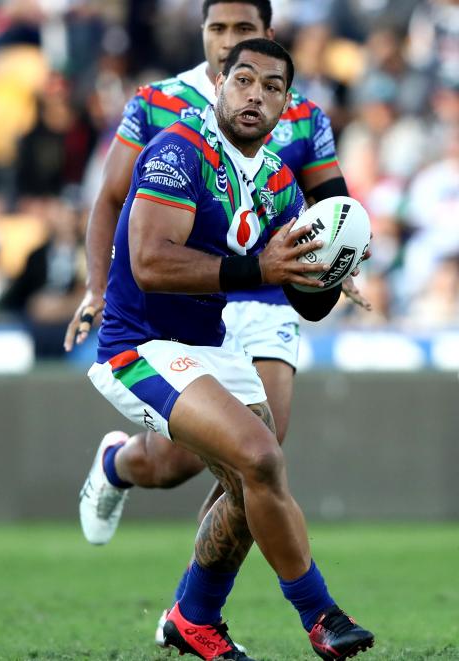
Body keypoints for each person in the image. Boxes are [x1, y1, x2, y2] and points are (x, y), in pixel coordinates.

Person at [84, 37, 374, 661]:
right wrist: (262, 269)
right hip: (139, 347)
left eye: (273, 87)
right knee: (260, 457)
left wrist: (331, 269)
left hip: (207, 346)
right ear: (219, 84)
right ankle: (321, 614)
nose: (256, 94)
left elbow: (301, 294)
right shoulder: (176, 149)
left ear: (285, 105)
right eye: (244, 79)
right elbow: (151, 262)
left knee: (251, 481)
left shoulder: (276, 179)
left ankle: (193, 618)